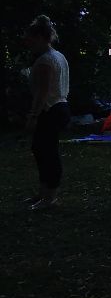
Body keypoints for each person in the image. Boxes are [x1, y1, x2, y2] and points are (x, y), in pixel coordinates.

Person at [24, 15, 70, 211]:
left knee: (47, 153)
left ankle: (50, 197)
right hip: (60, 106)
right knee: (41, 150)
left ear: (41, 37)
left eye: (31, 39)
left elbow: (43, 92)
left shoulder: (45, 61)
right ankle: (43, 193)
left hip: (50, 109)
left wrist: (33, 116)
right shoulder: (58, 56)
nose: (28, 43)